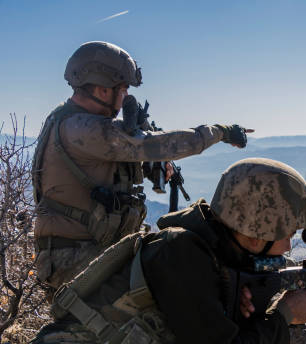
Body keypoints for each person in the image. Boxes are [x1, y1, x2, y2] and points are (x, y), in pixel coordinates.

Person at [0, 158, 306, 344]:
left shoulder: (211, 253)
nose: (287, 247)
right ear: (256, 225)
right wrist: (284, 316)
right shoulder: (181, 253)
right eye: (284, 233)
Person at [32, 41, 251, 292]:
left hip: (95, 250)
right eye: (123, 89)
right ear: (103, 89)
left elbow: (108, 161)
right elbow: (161, 144)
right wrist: (220, 132)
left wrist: (146, 167)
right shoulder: (81, 128)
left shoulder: (77, 122)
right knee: (180, 292)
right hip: (76, 259)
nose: (125, 96)